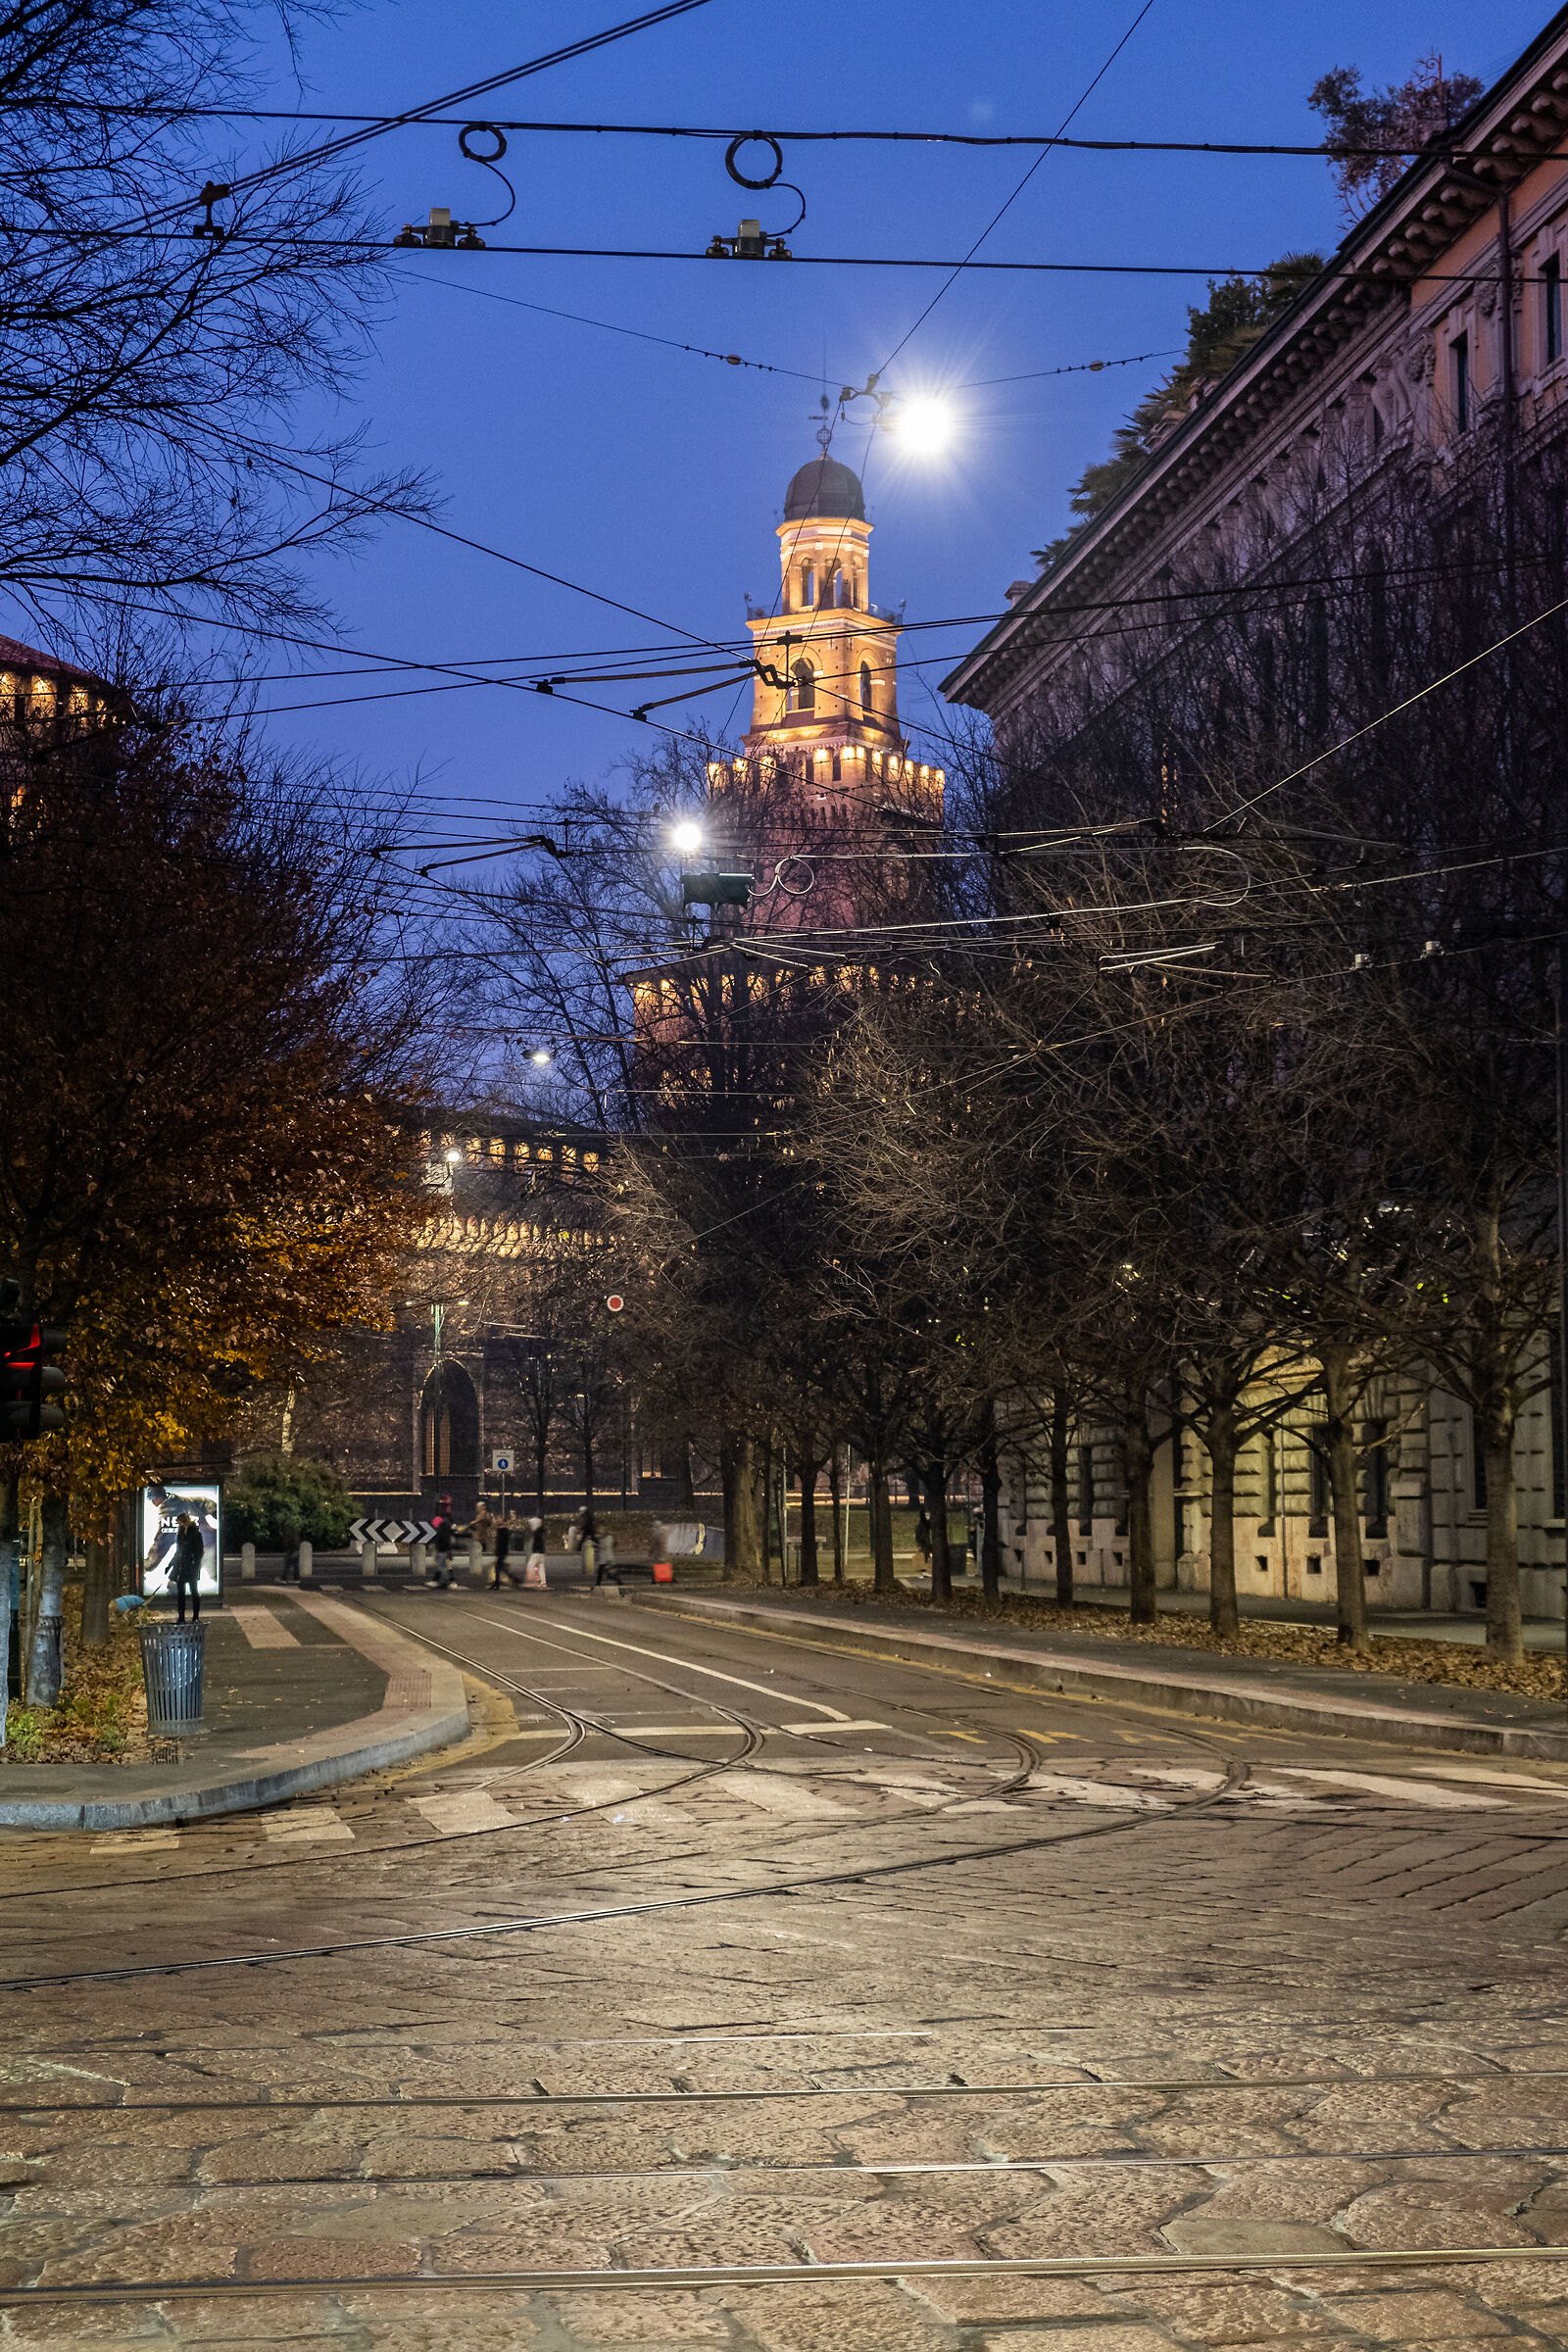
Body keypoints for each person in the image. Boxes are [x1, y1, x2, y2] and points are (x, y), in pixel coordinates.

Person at [170, 1511, 204, 1623]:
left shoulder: (195, 1534)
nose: (180, 1525)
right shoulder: (181, 1534)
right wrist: (171, 1564)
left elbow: (199, 1551)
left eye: (180, 1522)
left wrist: (195, 1563)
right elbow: (178, 1551)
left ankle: (195, 1616)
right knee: (182, 1593)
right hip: (183, 1566)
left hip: (190, 1566)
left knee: (193, 1591)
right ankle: (182, 1616)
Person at [429, 1494, 457, 1590]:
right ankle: (440, 1580)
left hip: (444, 1546)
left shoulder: (444, 1519)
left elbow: (437, 1528)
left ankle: (449, 1581)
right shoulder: (448, 1518)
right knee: (443, 1564)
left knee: (443, 1565)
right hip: (445, 1545)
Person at [490, 1514, 514, 1590]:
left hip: (502, 1552)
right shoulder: (500, 1530)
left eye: (499, 1519)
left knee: (498, 1568)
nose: (497, 1520)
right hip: (501, 1552)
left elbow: (503, 1543)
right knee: (501, 1568)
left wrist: (501, 1551)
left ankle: (496, 1584)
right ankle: (497, 1583)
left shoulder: (504, 1530)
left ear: (502, 1521)